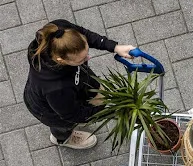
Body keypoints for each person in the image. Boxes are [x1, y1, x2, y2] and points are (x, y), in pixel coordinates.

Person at [24, 20, 136, 150]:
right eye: (82, 59)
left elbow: (85, 34)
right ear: (62, 60)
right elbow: (72, 115)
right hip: (50, 110)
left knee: (95, 97)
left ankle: (85, 111)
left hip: (78, 81)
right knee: (64, 125)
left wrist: (115, 47)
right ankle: (62, 138)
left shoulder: (61, 32)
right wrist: (108, 111)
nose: (88, 59)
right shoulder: (55, 88)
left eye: (87, 53)